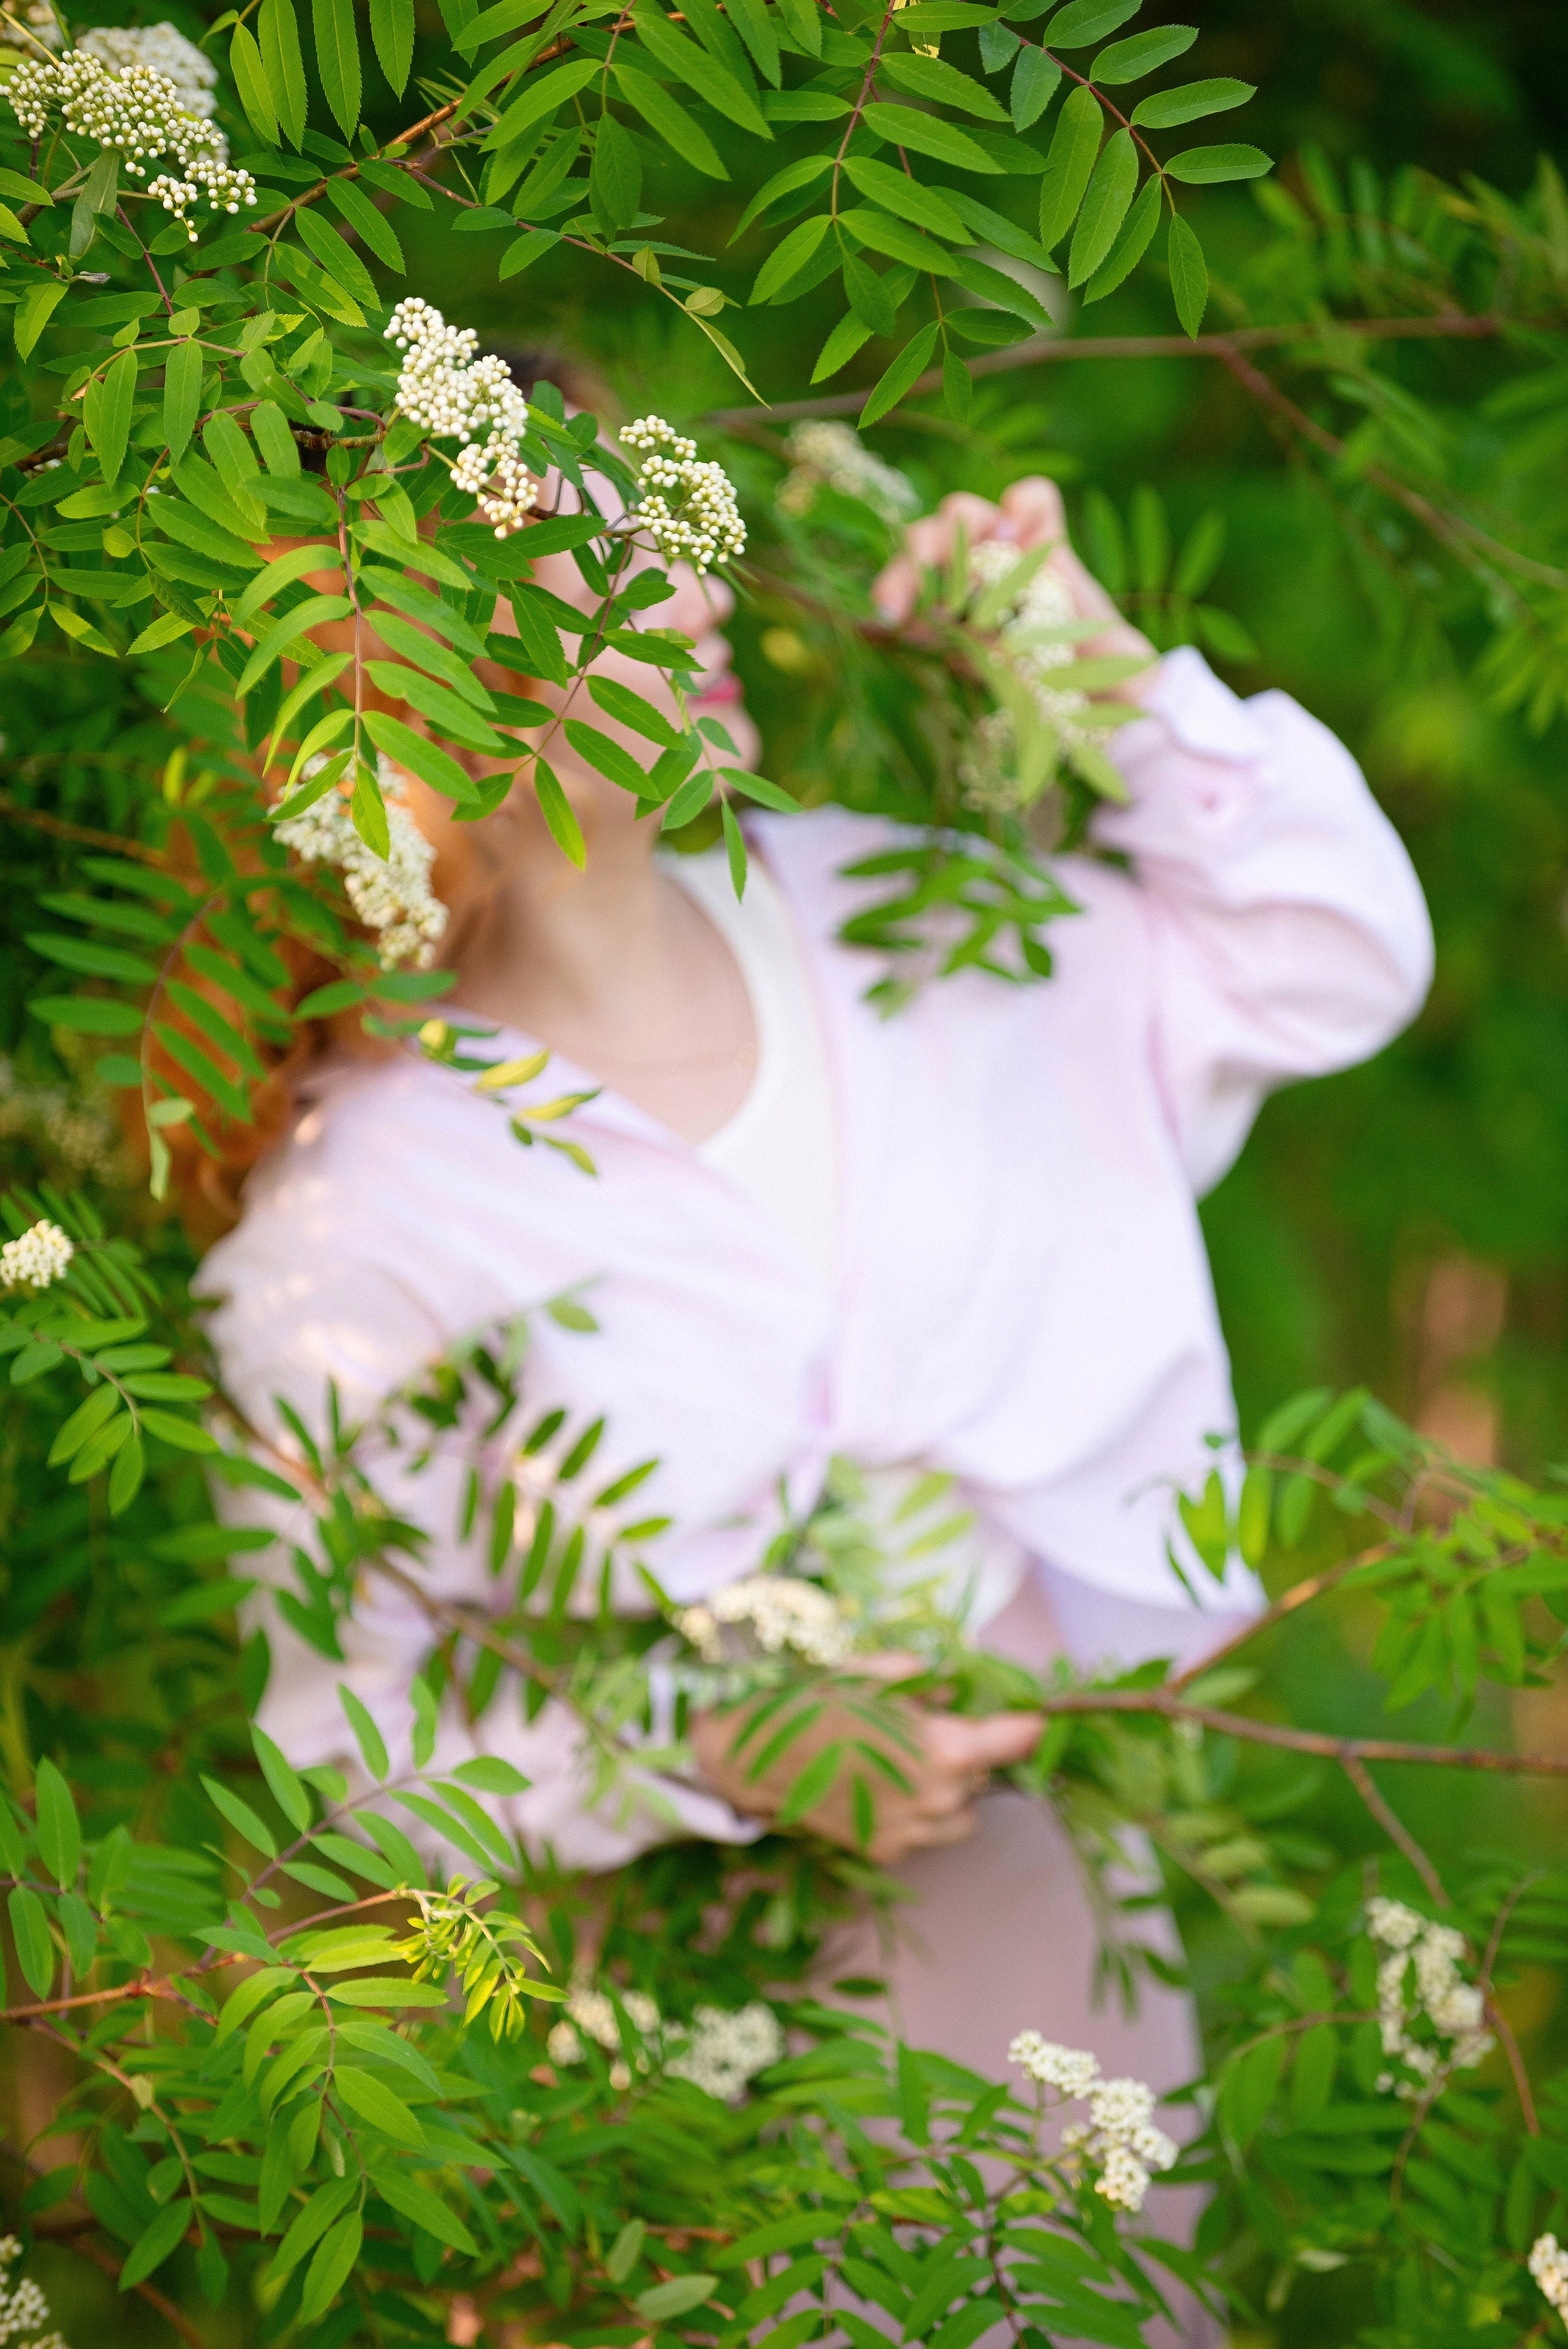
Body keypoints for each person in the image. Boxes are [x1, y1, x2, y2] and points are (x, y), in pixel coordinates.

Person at [198, 415, 1433, 2259]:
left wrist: (1102, 682)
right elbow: (340, 1760)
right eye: (609, 563)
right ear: (426, 677)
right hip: (656, 2041)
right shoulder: (353, 1218)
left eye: (675, 529)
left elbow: (1331, 957)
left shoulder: (904, 921)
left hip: (1044, 1943)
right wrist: (706, 1742)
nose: (698, 583)